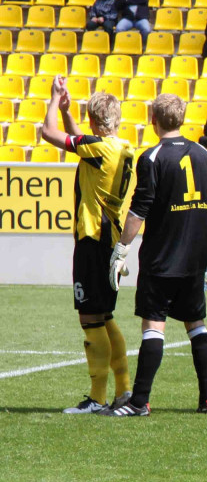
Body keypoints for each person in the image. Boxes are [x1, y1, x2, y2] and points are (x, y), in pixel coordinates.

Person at [102, 93, 207, 416]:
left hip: (161, 259)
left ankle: (139, 402)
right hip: (194, 260)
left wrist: (121, 249)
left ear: (153, 120)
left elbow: (138, 211)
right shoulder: (203, 154)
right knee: (196, 325)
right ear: (182, 119)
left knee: (153, 326)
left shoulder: (152, 157)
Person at [39, 78, 135, 414]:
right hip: (110, 239)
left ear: (94, 120)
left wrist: (54, 100)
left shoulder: (99, 149)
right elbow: (83, 141)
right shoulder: (121, 147)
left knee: (91, 318)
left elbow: (47, 133)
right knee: (105, 316)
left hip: (93, 238)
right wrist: (69, 114)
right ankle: (124, 391)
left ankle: (97, 398)